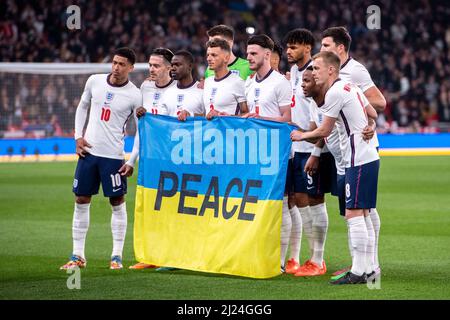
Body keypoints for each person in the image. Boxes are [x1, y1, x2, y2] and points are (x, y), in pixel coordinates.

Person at [291, 51, 379, 284]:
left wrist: (300, 135)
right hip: (364, 156)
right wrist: (370, 125)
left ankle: (360, 272)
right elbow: (373, 113)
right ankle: (369, 268)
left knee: (354, 214)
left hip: (356, 159)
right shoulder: (349, 87)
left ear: (331, 70)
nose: (313, 73)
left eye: (317, 69)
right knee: (363, 213)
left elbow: (323, 130)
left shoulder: (335, 93)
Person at [60, 47, 142, 270]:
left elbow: (141, 131)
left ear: (131, 68)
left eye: (122, 64)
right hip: (89, 153)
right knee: (81, 200)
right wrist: (78, 136)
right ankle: (77, 256)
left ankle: (116, 256)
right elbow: (82, 106)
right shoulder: (94, 81)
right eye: (114, 62)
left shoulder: (135, 94)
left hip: (114, 158)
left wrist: (131, 160)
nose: (116, 67)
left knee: (117, 202)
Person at [321, 26, 385, 279]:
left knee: (361, 207)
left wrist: (367, 124)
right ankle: (361, 265)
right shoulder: (324, 70)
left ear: (340, 48)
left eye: (326, 45)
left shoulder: (354, 71)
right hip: (339, 152)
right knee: (353, 208)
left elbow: (378, 101)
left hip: (356, 148)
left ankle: (369, 266)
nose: (322, 49)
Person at [242, 34, 292, 272]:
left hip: (277, 155)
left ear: (267, 55)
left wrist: (261, 119)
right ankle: (259, 253)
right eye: (247, 53)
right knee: (256, 205)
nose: (248, 57)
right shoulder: (249, 83)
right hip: (254, 154)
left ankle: (281, 261)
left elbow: (287, 120)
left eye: (253, 53)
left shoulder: (281, 83)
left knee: (280, 206)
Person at [282, 28, 328, 277]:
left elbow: (321, 116)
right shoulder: (293, 72)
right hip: (295, 146)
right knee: (299, 201)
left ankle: (318, 260)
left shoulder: (315, 72)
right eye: (287, 47)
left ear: (307, 47)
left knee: (315, 200)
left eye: (294, 47)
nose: (289, 51)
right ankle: (300, 258)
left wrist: (315, 146)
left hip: (312, 146)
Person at [129, 47, 176, 270]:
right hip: (149, 160)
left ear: (169, 67)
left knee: (172, 210)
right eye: (150, 65)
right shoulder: (145, 87)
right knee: (151, 209)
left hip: (173, 160)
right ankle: (151, 256)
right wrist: (131, 160)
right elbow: (142, 129)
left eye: (156, 65)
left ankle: (173, 257)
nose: (151, 69)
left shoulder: (179, 88)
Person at [203, 38, 248, 119]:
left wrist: (225, 116)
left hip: (229, 131)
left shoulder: (238, 82)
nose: (208, 59)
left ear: (226, 58)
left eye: (213, 55)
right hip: (209, 131)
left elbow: (247, 114)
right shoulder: (207, 81)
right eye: (208, 55)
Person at [160, 50, 205, 119]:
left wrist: (191, 116)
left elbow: (211, 119)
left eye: (177, 65)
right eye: (172, 65)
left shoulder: (202, 90)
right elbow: (162, 121)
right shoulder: (167, 93)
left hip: (195, 129)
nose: (173, 68)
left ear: (190, 66)